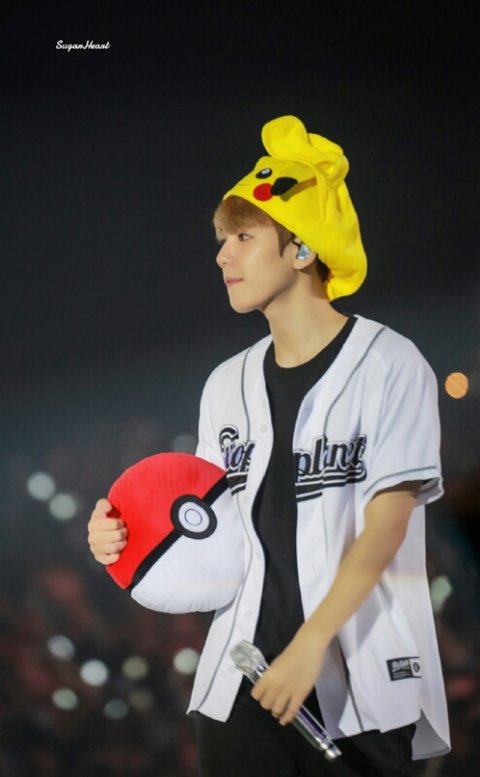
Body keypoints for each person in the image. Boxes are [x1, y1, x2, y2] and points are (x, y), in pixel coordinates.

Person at [88, 116, 450, 776]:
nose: (222, 256)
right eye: (222, 241)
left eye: (243, 237)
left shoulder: (391, 363)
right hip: (242, 685)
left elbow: (388, 525)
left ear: (303, 249)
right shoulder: (225, 384)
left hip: (361, 684)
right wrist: (122, 532)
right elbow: (204, 533)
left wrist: (312, 643)